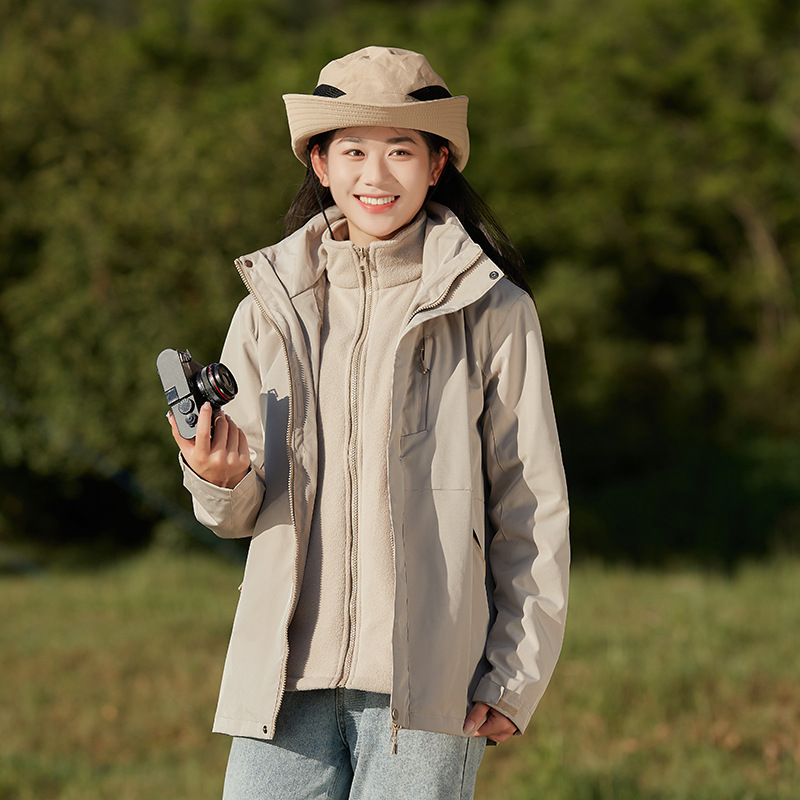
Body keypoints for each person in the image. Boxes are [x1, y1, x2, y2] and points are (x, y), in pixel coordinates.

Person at [169, 46, 570, 800]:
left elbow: (532, 504)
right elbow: (234, 513)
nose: (375, 175)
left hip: (429, 687)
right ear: (320, 163)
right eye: (352, 150)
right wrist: (216, 476)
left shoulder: (495, 310)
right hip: (283, 678)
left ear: (438, 163)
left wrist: (514, 676)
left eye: (400, 150)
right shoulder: (267, 308)